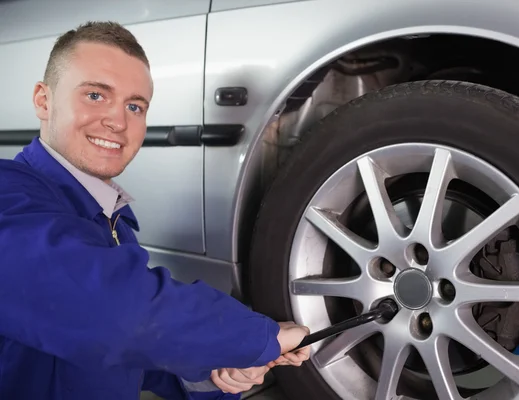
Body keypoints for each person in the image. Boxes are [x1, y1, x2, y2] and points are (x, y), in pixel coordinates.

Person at [0, 21, 311, 400]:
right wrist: (257, 336)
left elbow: (125, 354)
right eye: (96, 96)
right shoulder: (8, 195)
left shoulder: (107, 218)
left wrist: (215, 370)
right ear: (43, 100)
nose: (118, 121)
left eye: (134, 106)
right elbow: (109, 311)